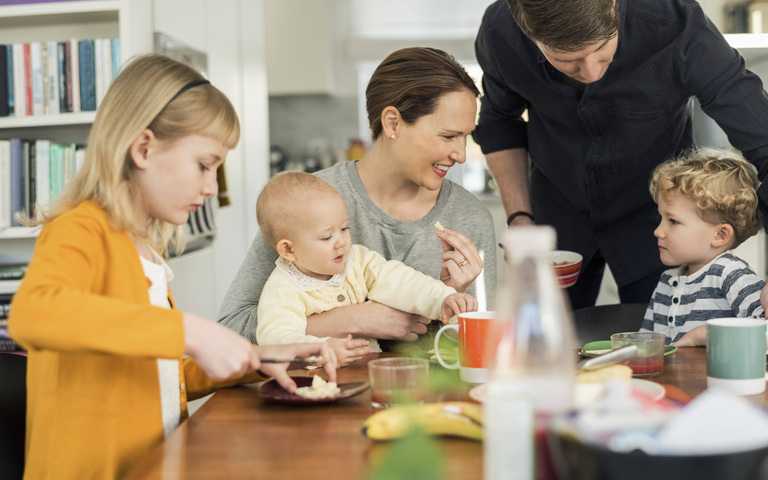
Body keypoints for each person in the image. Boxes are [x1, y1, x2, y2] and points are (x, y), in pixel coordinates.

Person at [7, 54, 338, 480]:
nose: (209, 188)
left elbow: (160, 374)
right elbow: (34, 313)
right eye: (204, 165)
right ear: (143, 148)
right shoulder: (80, 228)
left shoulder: (141, 249)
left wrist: (256, 357)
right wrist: (192, 332)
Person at [474, 0, 768, 311]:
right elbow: (498, 123)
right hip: (555, 213)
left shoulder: (679, 26)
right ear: (528, 34)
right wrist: (519, 217)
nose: (590, 72)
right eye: (566, 59)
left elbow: (764, 141)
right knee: (541, 343)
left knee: (669, 344)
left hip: (658, 219)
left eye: (601, 47)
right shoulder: (501, 31)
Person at [218, 47, 497, 348]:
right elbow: (230, 330)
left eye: (465, 137)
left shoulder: (470, 218)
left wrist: (448, 296)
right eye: (448, 136)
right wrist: (354, 319)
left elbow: (481, 352)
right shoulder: (308, 204)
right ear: (392, 123)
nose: (460, 155)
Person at [255, 171, 478, 364]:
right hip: (311, 383)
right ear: (288, 251)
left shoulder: (358, 260)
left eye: (344, 228)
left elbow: (401, 281)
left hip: (367, 373)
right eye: (326, 237)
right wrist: (322, 348)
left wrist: (443, 298)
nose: (341, 241)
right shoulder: (282, 289)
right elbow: (275, 338)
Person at [639, 149, 765, 346]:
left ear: (720, 235)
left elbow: (763, 331)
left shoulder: (732, 275)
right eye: (661, 218)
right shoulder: (666, 281)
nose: (658, 231)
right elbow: (645, 346)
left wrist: (702, 335)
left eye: (672, 221)